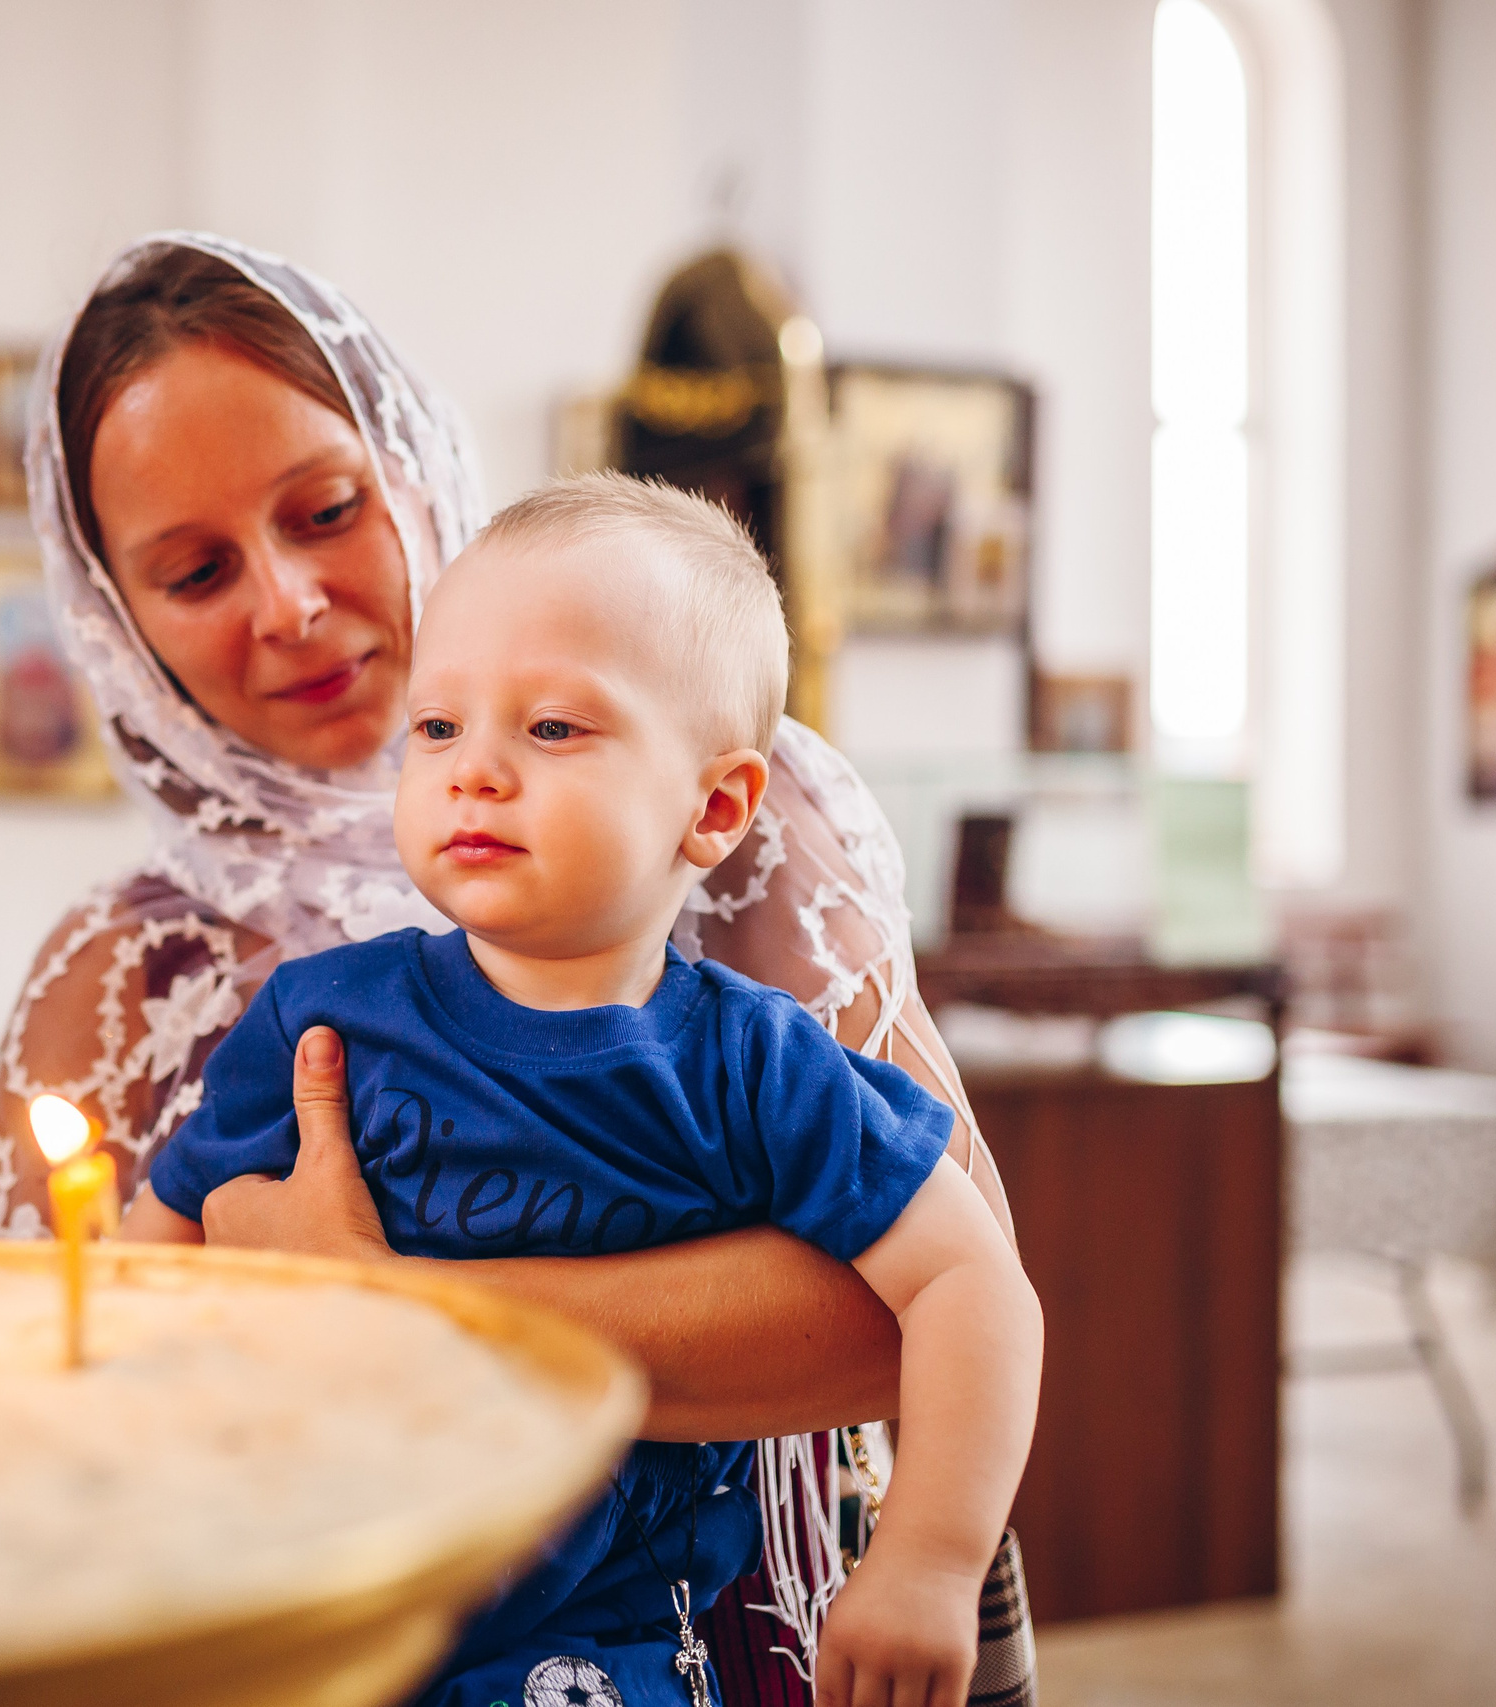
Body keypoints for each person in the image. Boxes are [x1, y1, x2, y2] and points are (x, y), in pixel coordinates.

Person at [0, 233, 1032, 1692]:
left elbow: (916, 1302)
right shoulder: (129, 969)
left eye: (327, 508)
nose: (285, 603)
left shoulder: (742, 815)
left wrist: (382, 1294)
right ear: (117, 618)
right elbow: (57, 1408)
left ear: (409, 468)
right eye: (196, 568)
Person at [126, 474, 1041, 1707]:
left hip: (585, 1658)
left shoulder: (750, 1066)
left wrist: (930, 1559)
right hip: (319, 1591)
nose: (474, 772)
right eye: (438, 729)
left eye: (551, 729)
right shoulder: (322, 1021)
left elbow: (971, 1280)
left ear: (713, 805)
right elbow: (154, 1254)